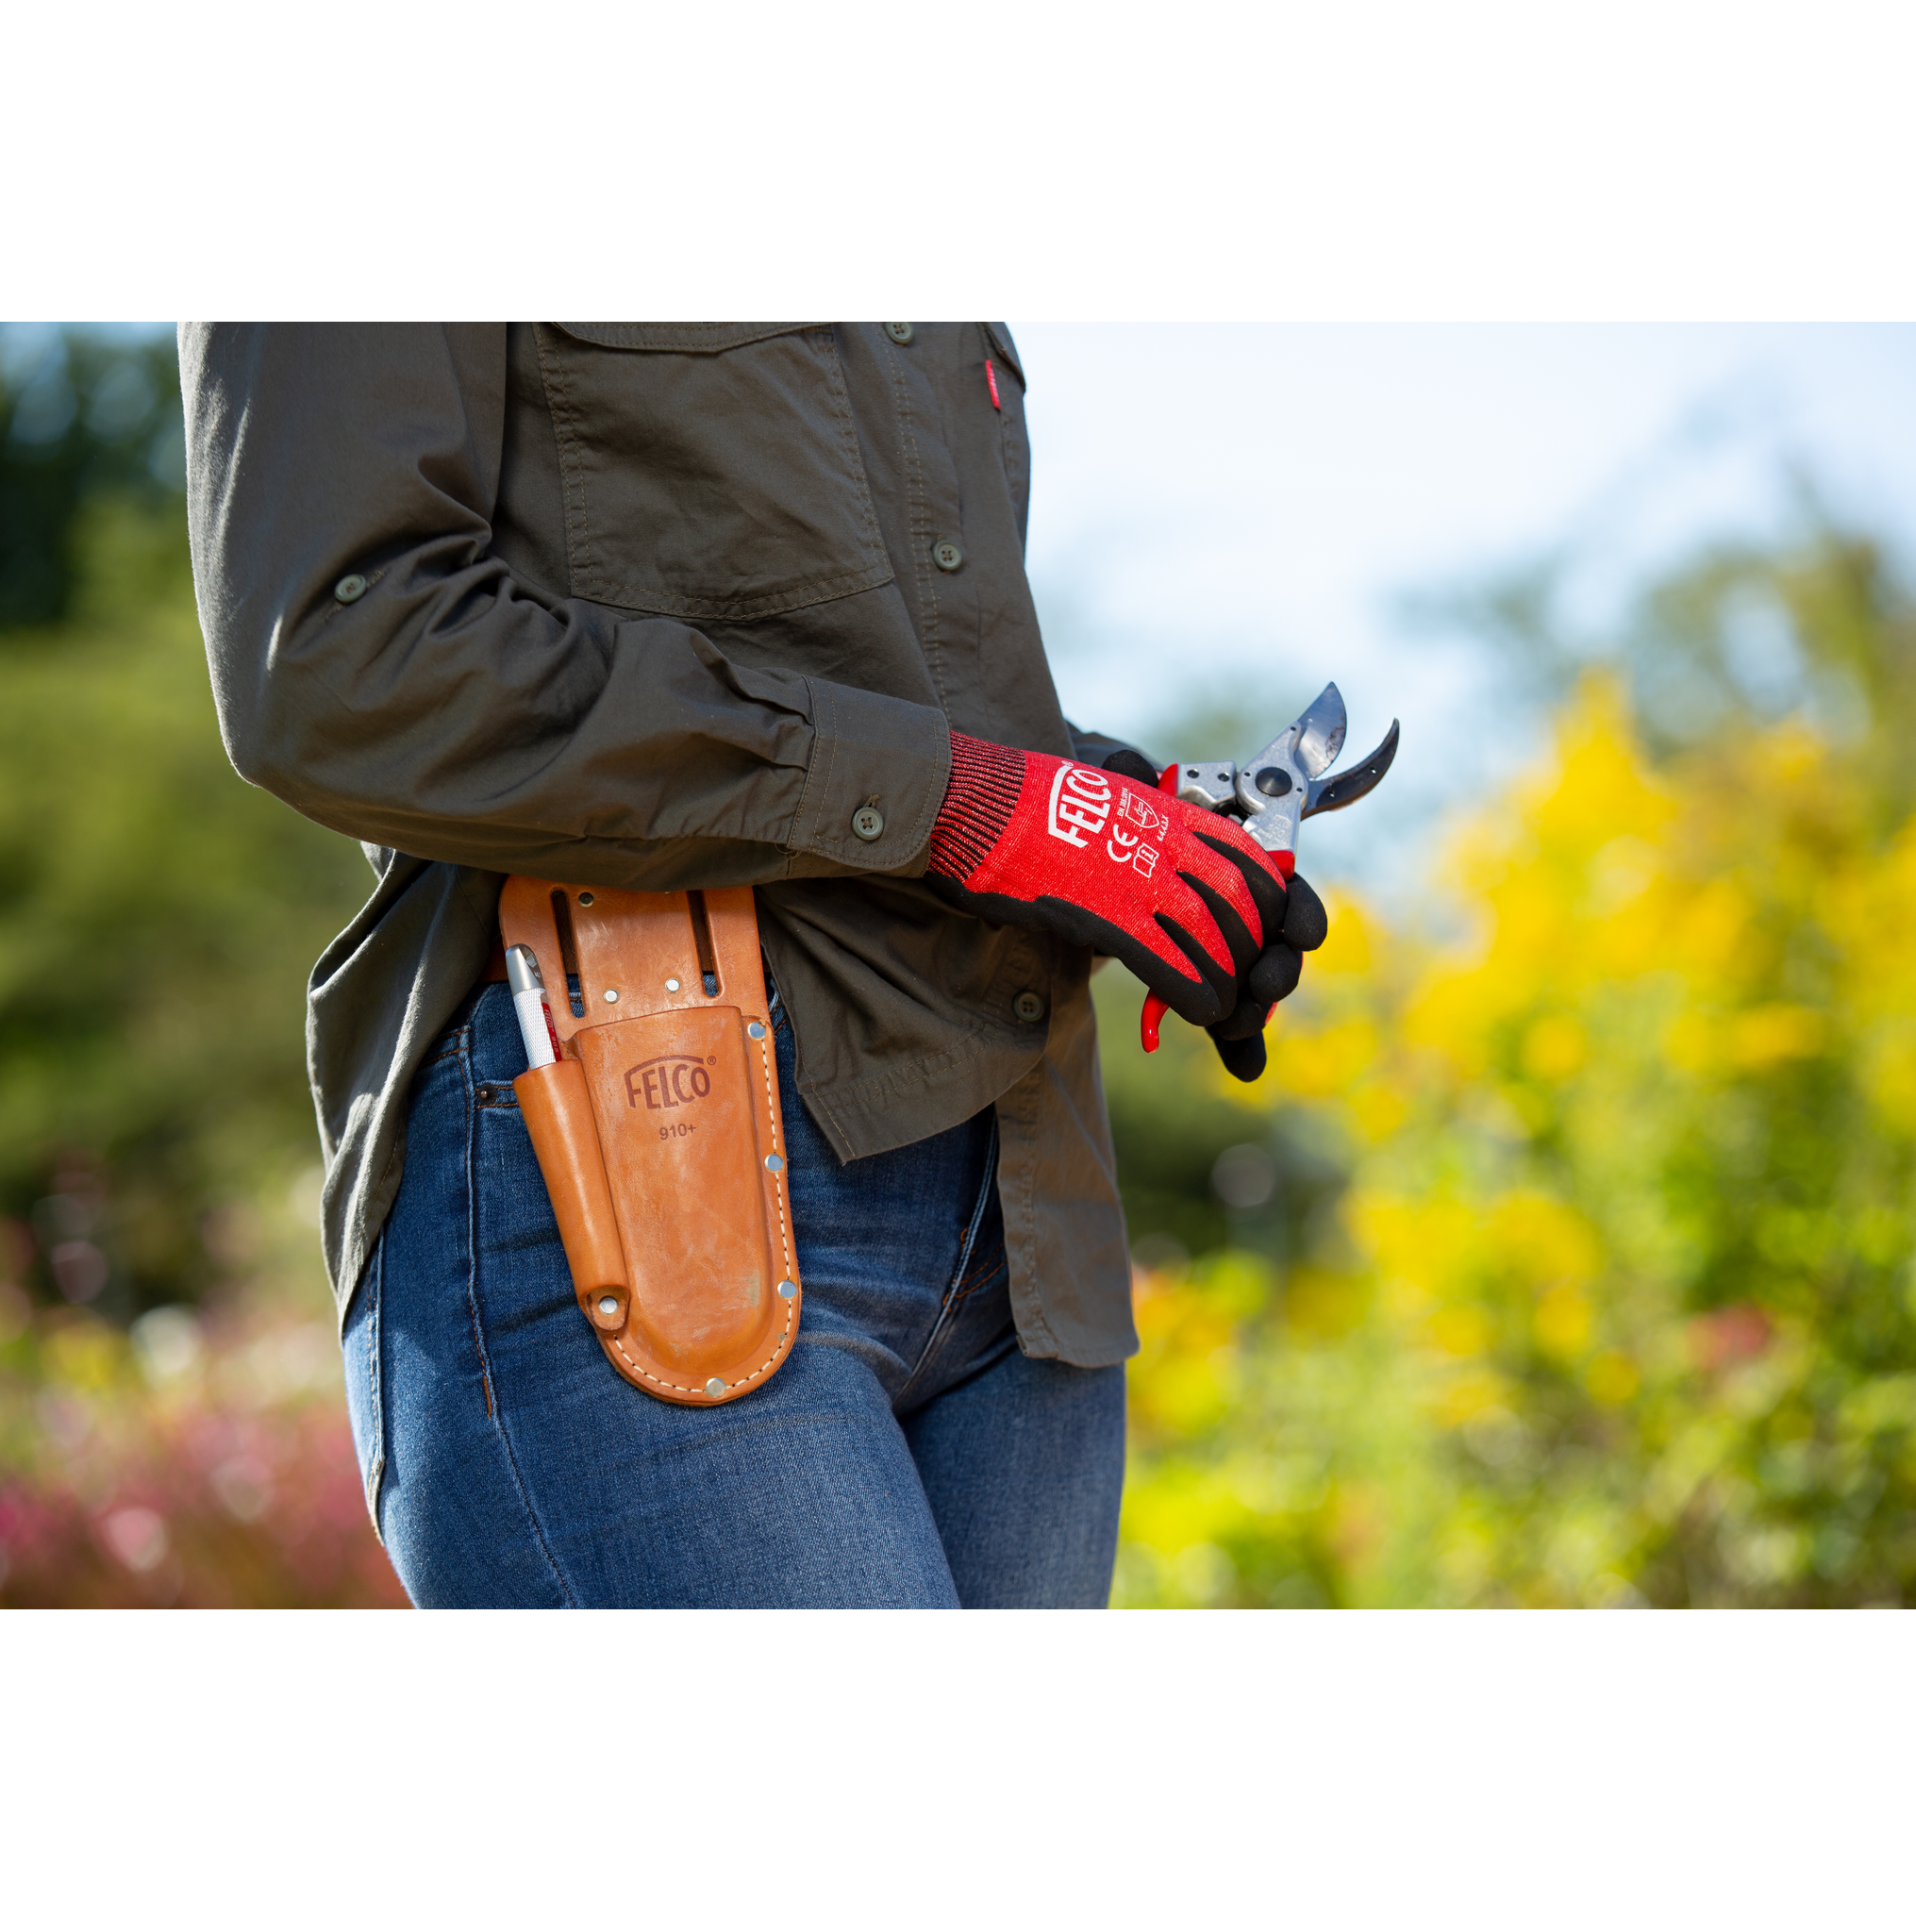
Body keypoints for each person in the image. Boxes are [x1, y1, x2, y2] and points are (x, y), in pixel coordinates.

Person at [180, 322, 1325, 1624]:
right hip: (644, 1158)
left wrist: (1117, 817)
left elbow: (882, 676)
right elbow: (342, 660)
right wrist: (980, 809)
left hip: (1023, 1212)